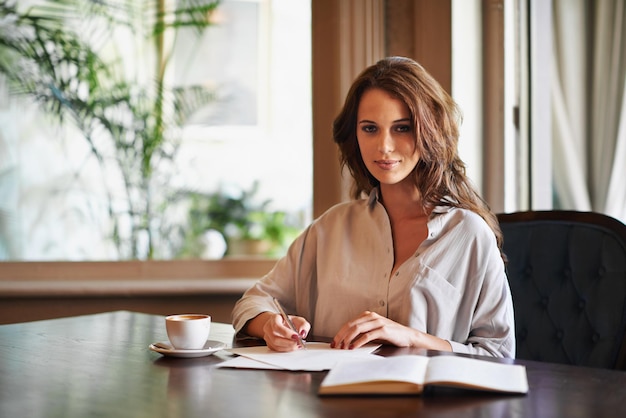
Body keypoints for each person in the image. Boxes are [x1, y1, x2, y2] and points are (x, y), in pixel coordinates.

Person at [231, 56, 515, 358]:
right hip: (330, 399)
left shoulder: (468, 235)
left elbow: (499, 354)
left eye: (402, 128)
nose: (384, 146)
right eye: (370, 129)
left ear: (428, 130)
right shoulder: (330, 228)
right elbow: (253, 303)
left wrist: (411, 337)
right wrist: (270, 326)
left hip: (429, 403)